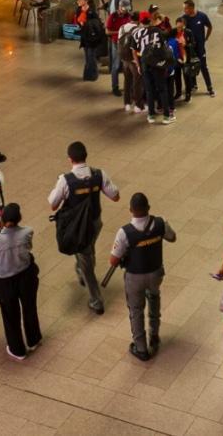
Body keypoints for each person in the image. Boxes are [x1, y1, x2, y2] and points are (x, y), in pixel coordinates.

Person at [46, 141, 122, 315]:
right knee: (87, 249)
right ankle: (82, 266)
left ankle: (96, 300)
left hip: (75, 226)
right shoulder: (99, 174)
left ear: (70, 159)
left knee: (87, 260)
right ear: (86, 156)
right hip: (95, 222)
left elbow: (53, 205)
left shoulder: (65, 180)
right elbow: (116, 196)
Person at [108, 192, 176, 361]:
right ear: (148, 208)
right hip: (155, 273)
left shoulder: (124, 232)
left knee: (136, 310)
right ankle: (154, 335)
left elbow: (113, 260)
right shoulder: (160, 223)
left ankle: (141, 348)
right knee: (154, 299)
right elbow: (172, 237)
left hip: (134, 277)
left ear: (131, 210)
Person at [0, 203, 42, 360]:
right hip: (26, 276)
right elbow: (28, 248)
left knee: (10, 315)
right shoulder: (28, 232)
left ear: (1, 219)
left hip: (6, 281)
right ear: (19, 218)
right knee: (29, 308)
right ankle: (33, 339)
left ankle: (17, 349)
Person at [178, 0, 215, 96]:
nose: (184, 10)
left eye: (186, 8)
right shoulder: (184, 18)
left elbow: (210, 26)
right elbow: (180, 30)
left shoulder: (202, 16)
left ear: (191, 7)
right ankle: (193, 85)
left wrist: (206, 38)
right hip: (190, 49)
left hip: (200, 48)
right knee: (191, 66)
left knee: (203, 66)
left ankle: (209, 87)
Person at [74, 0, 102, 81]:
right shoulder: (79, 10)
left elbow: (97, 24)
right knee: (87, 57)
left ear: (86, 1)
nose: (78, 1)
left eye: (80, 0)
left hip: (92, 38)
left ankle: (93, 75)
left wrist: (86, 24)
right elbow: (78, 21)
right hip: (85, 37)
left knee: (91, 57)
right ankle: (87, 75)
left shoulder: (92, 11)